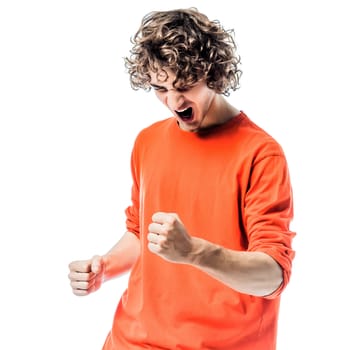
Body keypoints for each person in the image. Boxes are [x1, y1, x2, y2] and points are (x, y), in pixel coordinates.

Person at [68, 7, 296, 350]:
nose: (174, 102)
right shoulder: (147, 141)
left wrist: (193, 253)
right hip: (131, 340)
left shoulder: (261, 154)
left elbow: (272, 275)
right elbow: (141, 231)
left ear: (213, 74)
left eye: (185, 85)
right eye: (160, 87)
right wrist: (105, 265)